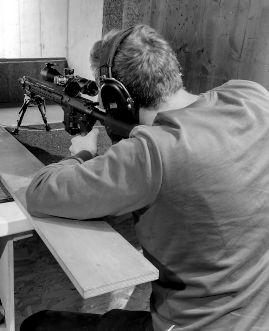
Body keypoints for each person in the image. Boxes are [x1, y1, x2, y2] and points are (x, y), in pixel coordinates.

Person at [20, 24, 269, 331]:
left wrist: (82, 152)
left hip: (192, 325)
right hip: (260, 318)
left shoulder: (150, 152)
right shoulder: (252, 96)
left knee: (38, 325)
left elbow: (40, 191)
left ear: (115, 96)